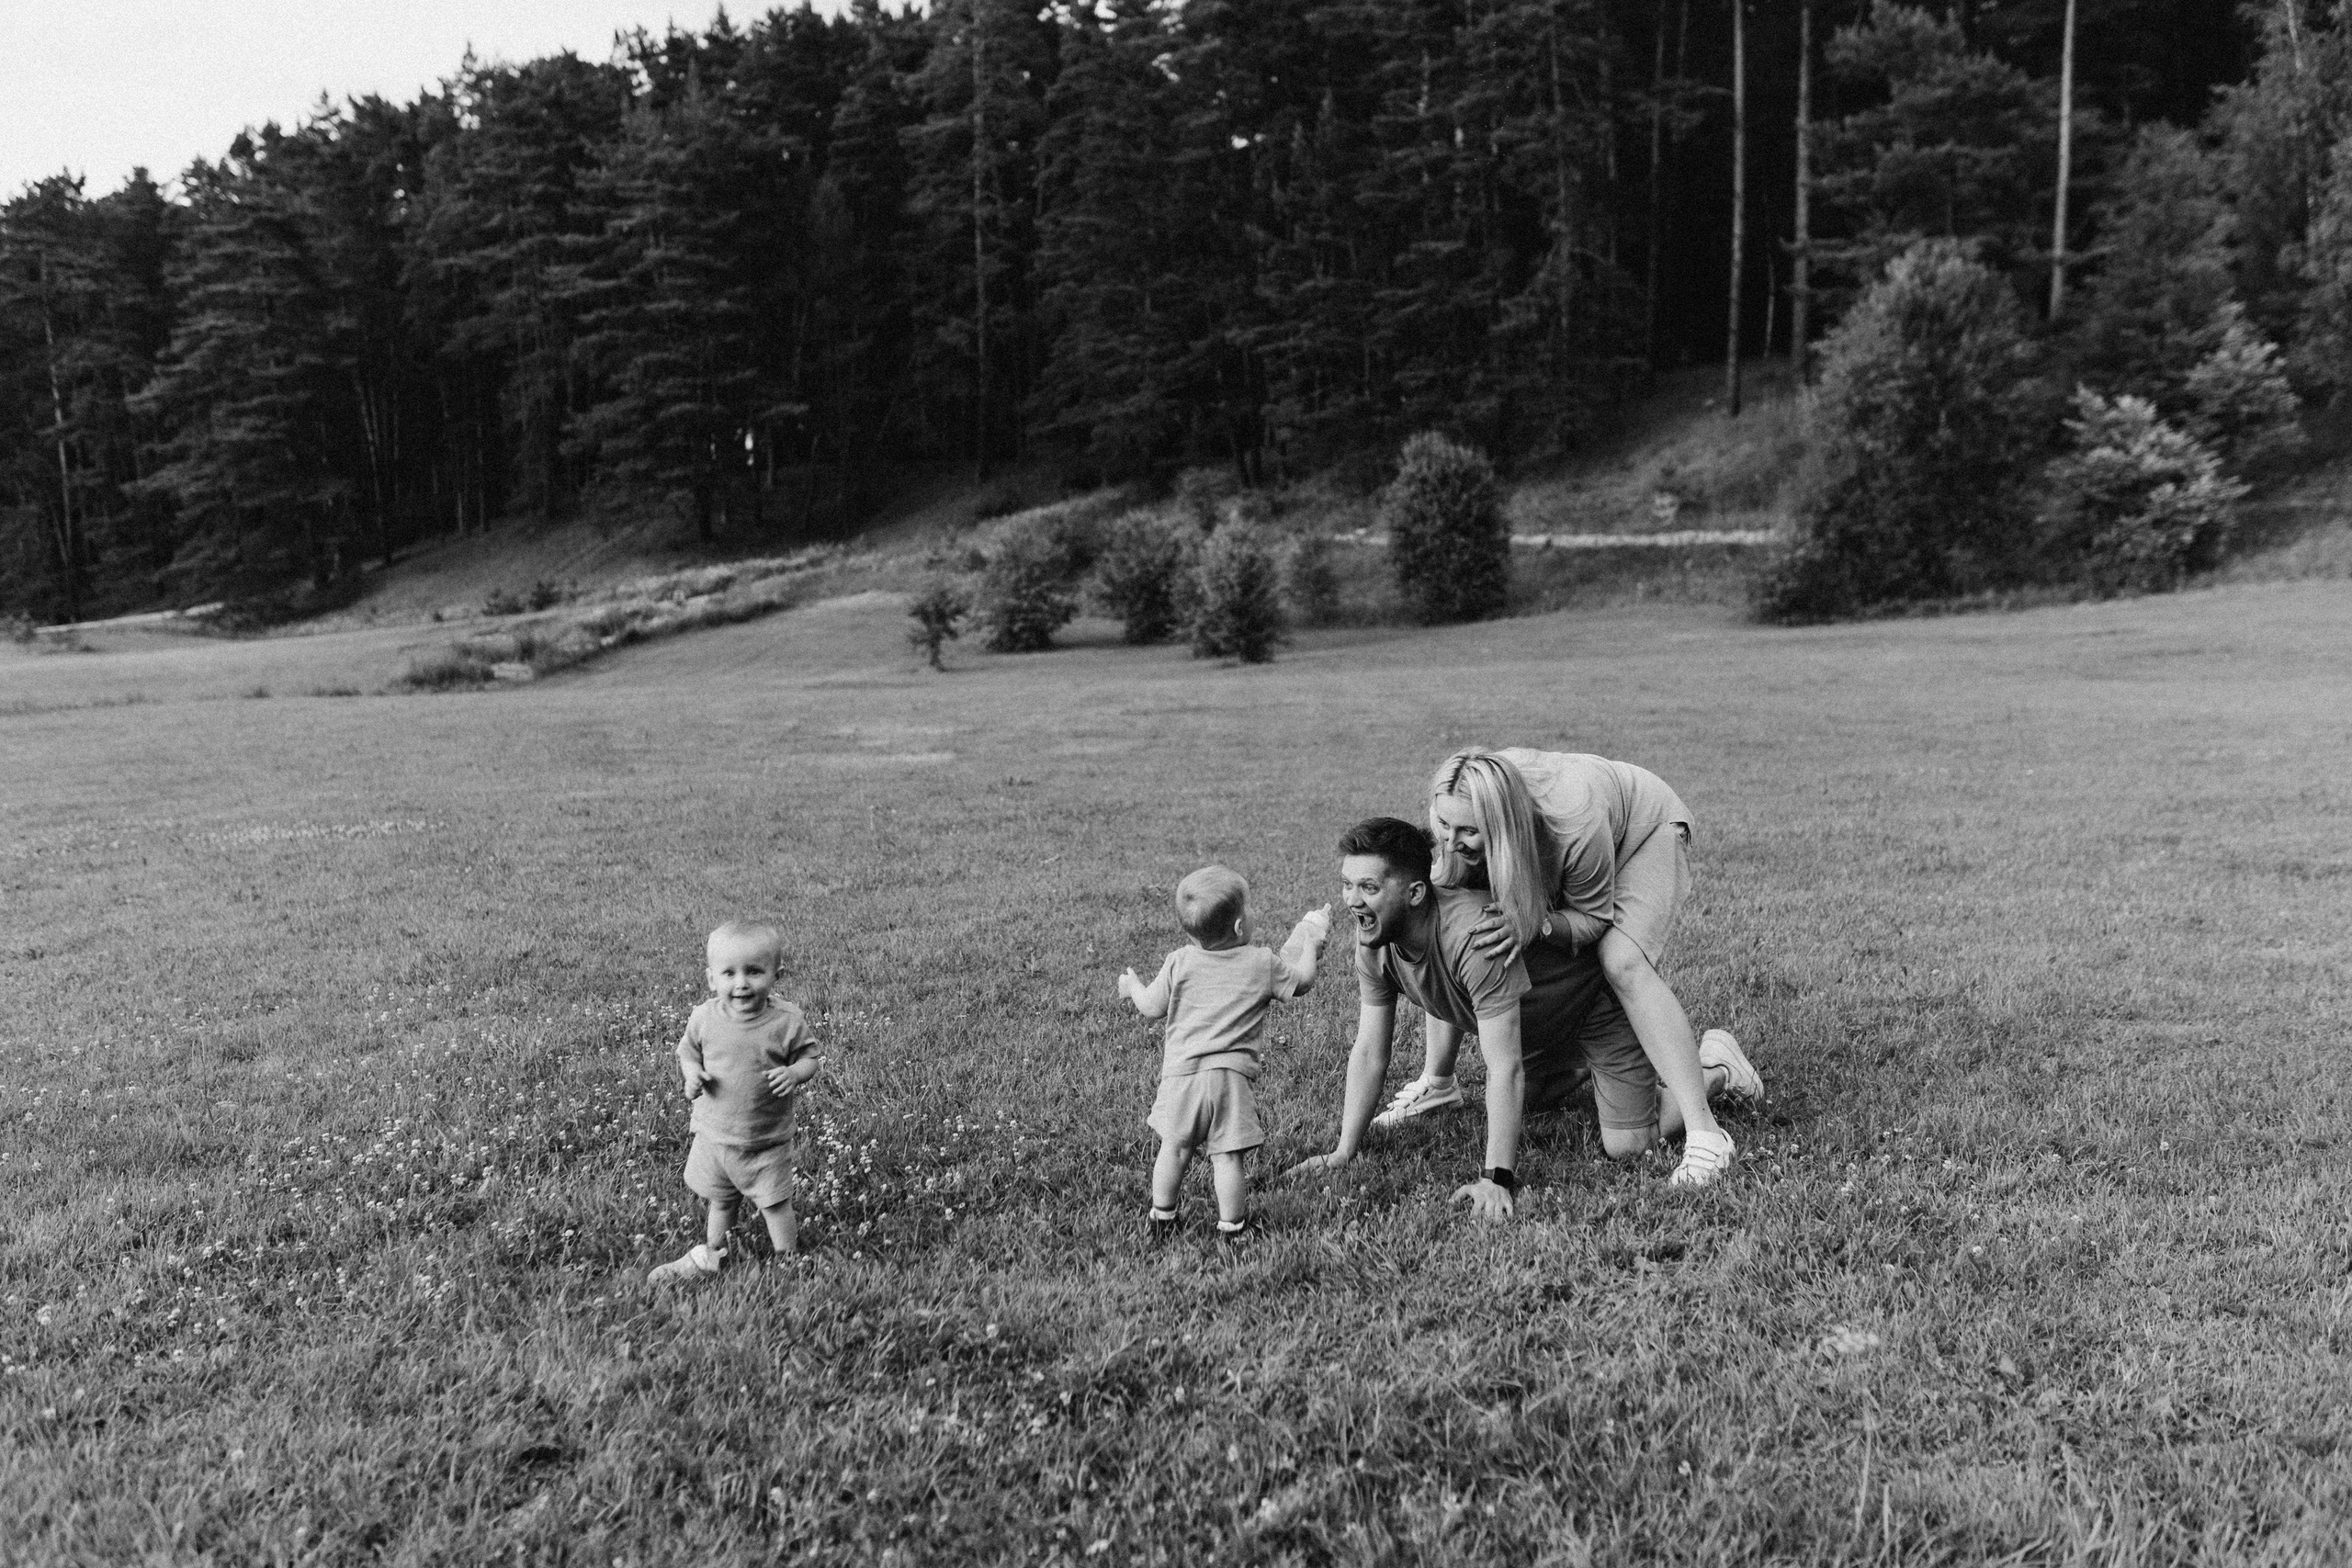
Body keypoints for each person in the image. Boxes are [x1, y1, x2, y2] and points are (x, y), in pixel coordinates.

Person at [1286, 818, 1758, 1219]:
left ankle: (1716, 1067)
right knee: (1525, 1102)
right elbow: (1370, 1050)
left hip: (1589, 1009)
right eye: (1347, 885)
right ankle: (1591, 1075)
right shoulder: (1375, 939)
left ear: (1413, 892)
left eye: (1368, 887)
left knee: (1628, 1145)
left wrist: (1496, 1179)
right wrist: (1344, 1151)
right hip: (1533, 1024)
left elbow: (1502, 1066)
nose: (1352, 899)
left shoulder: (1471, 937)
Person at [1375, 748, 1760, 1188]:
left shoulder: (1575, 823)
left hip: (1641, 830)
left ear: (1502, 825)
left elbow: (1594, 920)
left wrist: (1534, 924)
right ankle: (1439, 1082)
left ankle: (1708, 1116)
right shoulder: (1463, 800)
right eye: (1442, 824)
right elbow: (1450, 925)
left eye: (1467, 832)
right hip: (1541, 837)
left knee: (1621, 961)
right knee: (1453, 911)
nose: (1449, 842)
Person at [1118, 865, 1331, 1241]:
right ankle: (1232, 1227)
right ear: (1237, 928)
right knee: (1228, 1158)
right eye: (1249, 909)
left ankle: (1162, 1217)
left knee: (1175, 1148)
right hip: (1231, 1080)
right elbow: (1303, 982)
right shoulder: (1262, 962)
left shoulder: (1179, 961)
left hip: (1183, 1078)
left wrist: (1132, 985)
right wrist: (1311, 947)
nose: (1254, 914)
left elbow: (1151, 1006)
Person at [649, 920, 822, 1283]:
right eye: (729, 973)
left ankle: (787, 1258)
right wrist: (692, 1073)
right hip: (716, 1136)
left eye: (754, 972)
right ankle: (713, 1253)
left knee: (776, 1204)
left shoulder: (786, 1022)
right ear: (712, 979)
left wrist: (794, 1073)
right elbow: (688, 1053)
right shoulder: (704, 1018)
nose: (741, 983)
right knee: (721, 1200)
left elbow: (810, 1059)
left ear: (777, 975)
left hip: (765, 1138)